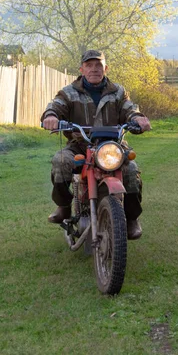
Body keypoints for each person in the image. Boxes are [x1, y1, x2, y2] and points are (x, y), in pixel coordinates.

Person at [41, 50, 151, 240]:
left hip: (112, 146)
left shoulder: (118, 91)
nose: (94, 69)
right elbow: (56, 105)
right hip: (80, 145)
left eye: (98, 65)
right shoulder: (69, 92)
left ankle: (132, 219)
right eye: (89, 65)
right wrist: (51, 116)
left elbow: (129, 109)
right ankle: (64, 206)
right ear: (82, 69)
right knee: (60, 161)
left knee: (131, 170)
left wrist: (138, 118)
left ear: (105, 68)